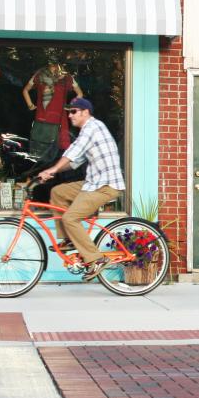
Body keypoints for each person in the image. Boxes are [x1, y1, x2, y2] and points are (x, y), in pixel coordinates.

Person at [36, 97, 125, 281]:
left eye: (74, 111)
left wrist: (52, 169)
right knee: (57, 192)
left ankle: (96, 259)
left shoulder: (91, 128)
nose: (70, 115)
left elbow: (72, 152)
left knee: (70, 218)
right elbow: (74, 162)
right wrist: (53, 171)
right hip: (93, 182)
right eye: (69, 112)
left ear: (86, 112)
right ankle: (69, 239)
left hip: (105, 186)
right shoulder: (90, 130)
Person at [22, 59, 83, 158]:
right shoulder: (40, 75)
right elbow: (25, 90)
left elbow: (80, 94)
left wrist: (70, 106)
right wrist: (31, 106)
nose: (54, 66)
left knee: (55, 150)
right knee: (42, 150)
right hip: (45, 118)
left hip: (54, 118)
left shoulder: (66, 77)